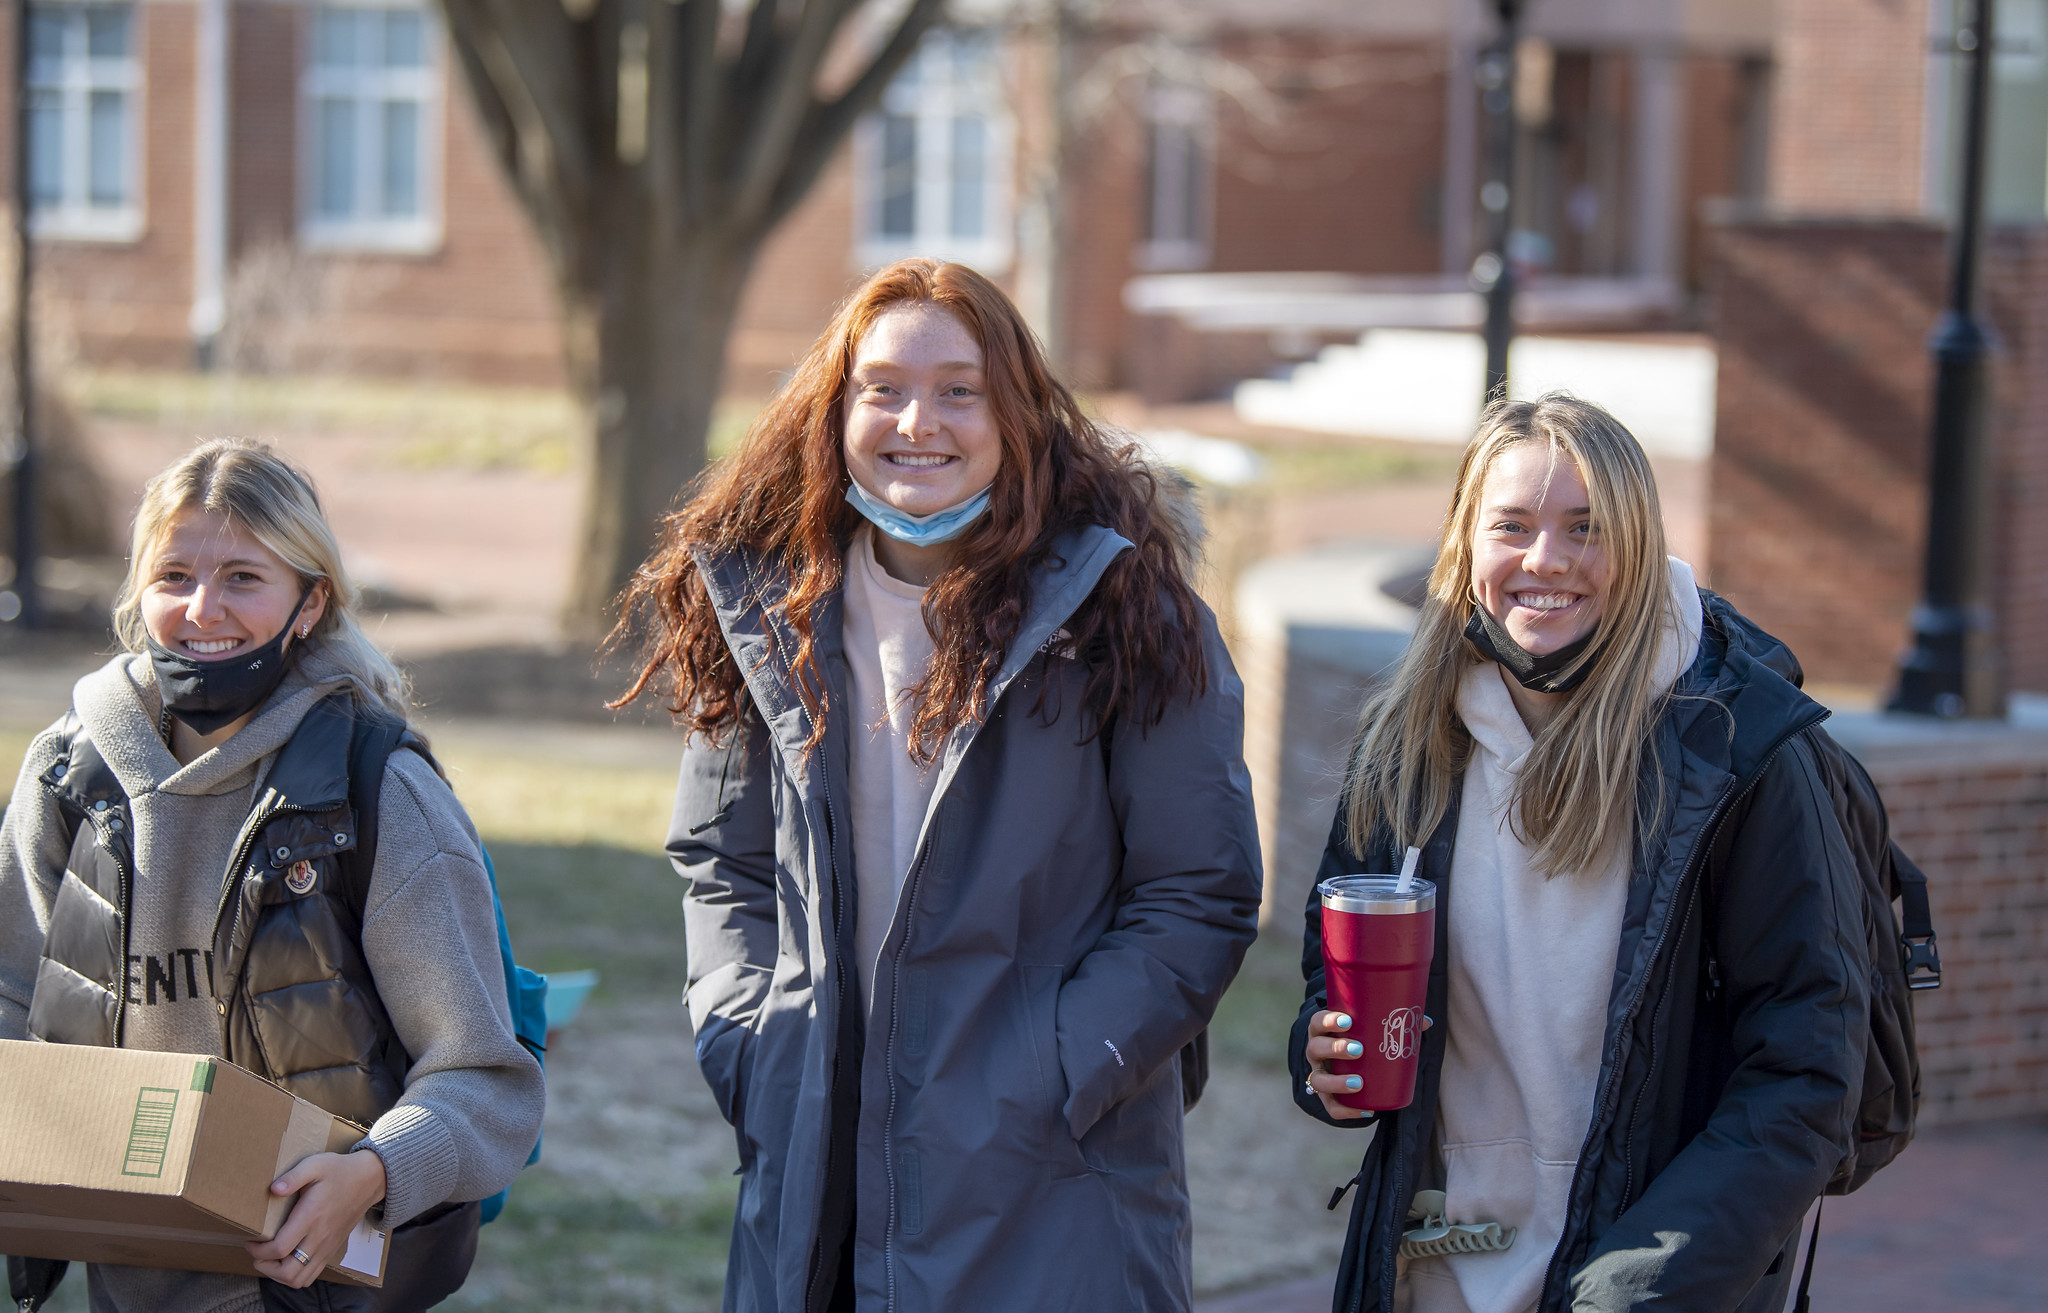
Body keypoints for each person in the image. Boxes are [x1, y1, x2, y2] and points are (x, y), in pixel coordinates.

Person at [615, 257, 1262, 1312]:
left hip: (1052, 1182)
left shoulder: (1125, 614)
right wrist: (753, 1046)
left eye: (959, 389)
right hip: (814, 1155)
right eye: (883, 387)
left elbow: (1195, 893)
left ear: (1014, 416)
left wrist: (1044, 1076)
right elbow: (721, 866)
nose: (918, 419)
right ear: (836, 411)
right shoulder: (762, 612)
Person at [1290, 396, 1872, 1313]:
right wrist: (1323, 1059)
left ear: (1635, 548)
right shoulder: (1408, 748)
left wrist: (1632, 1290)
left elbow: (1806, 1073)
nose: (1544, 560)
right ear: (1465, 546)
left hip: (1641, 1286)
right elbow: (1333, 986)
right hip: (1434, 1266)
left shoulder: (1740, 752)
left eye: (1584, 529)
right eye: (1511, 526)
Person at [0, 439, 544, 1312]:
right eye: (174, 574)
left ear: (311, 601)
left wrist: (372, 1174)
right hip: (121, 1278)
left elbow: (486, 1078)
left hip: (312, 1288)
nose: (202, 608)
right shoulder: (67, 774)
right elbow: (9, 1004)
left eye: (244, 577)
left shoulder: (380, 789)